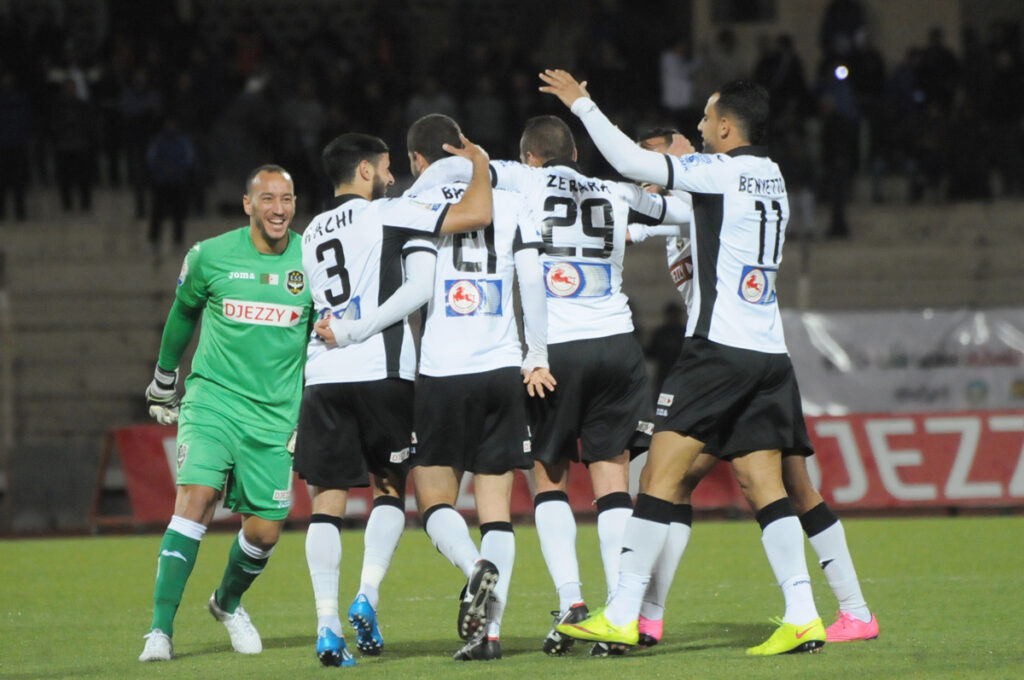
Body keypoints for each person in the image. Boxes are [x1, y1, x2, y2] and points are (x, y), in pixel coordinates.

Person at [540, 69, 827, 656]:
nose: (698, 127)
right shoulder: (771, 177)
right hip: (768, 351)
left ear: (726, 126)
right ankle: (802, 611)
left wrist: (583, 105)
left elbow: (630, 160)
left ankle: (622, 614)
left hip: (717, 351)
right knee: (758, 480)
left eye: (705, 118)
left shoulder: (718, 172)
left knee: (658, 476)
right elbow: (674, 211)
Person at [424, 115, 690, 657]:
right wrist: (642, 227)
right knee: (613, 479)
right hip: (619, 344)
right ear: (574, 152)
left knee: (549, 479)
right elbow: (682, 212)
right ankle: (618, 612)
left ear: (530, 158)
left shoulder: (522, 181)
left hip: (558, 350)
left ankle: (572, 601)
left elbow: (460, 170)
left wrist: (458, 157)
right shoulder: (614, 191)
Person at [293, 130, 497, 667]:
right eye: (383, 168)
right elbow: (474, 216)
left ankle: (328, 627)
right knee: (391, 487)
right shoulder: (387, 213)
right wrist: (478, 165)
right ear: (364, 171)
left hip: (323, 374)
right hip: (382, 368)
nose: (390, 177)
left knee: (326, 503)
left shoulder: (310, 232)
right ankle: (376, 589)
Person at [138, 164, 313, 662]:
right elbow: (183, 314)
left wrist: (311, 410)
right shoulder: (210, 256)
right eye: (267, 199)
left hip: (276, 416)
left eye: (287, 199)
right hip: (212, 401)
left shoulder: (313, 260)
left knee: (263, 532)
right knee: (194, 500)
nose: (278, 209)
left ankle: (228, 603)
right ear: (247, 204)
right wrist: (165, 379)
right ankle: (159, 631)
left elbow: (323, 342)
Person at [401, 113, 554, 662]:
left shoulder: (415, 202)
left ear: (419, 159)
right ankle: (489, 635)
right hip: (501, 369)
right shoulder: (511, 200)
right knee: (496, 510)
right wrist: (535, 355)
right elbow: (533, 280)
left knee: (434, 500)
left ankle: (473, 569)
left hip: (443, 370)